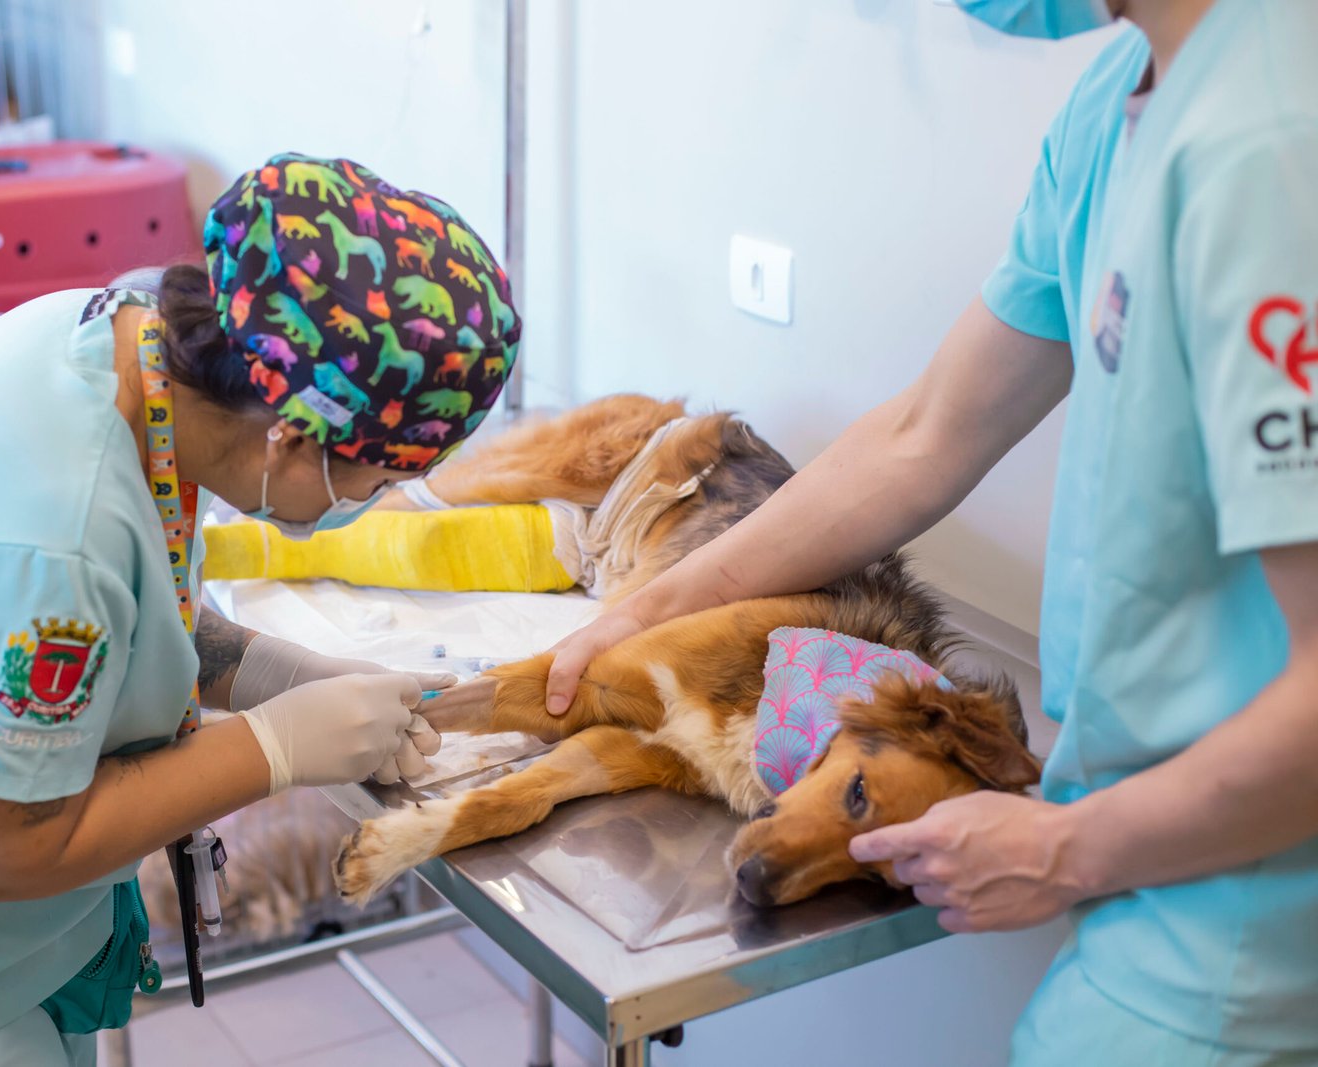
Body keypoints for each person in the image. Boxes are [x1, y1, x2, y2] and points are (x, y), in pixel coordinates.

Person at [544, 1, 1318, 1062]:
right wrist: (650, 608)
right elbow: (922, 435)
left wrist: (1065, 849)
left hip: (1247, 934)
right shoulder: (1116, 107)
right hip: (1152, 876)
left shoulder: (1270, 143)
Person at [0, 153, 520, 1065]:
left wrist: (268, 671)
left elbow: (120, 612)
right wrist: (274, 749)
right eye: (376, 480)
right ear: (294, 435)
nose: (369, 501)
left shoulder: (124, 349)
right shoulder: (48, 526)